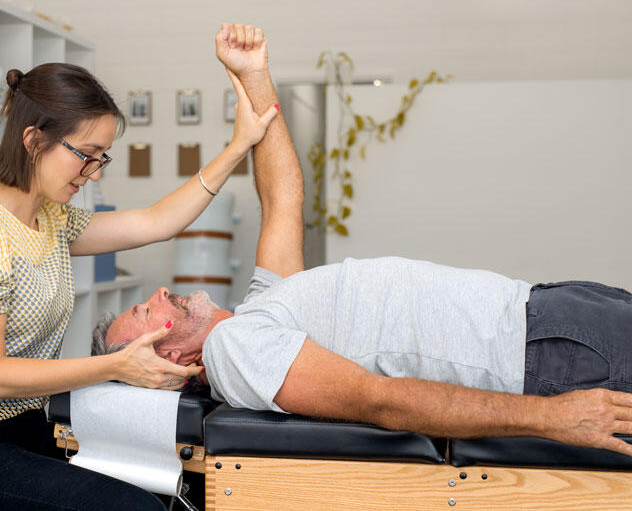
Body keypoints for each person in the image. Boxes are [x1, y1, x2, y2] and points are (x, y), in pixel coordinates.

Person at [96, 23, 632, 458]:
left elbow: (282, 198)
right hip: (544, 357)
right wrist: (553, 417)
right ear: (168, 359)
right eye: (144, 312)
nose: (158, 294)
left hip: (548, 314)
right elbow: (381, 401)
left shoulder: (258, 316)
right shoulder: (235, 351)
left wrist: (255, 77)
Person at [0, 36, 280, 510]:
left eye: (101, 156)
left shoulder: (50, 219)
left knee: (171, 495)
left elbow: (156, 222)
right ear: (33, 140)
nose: (94, 172)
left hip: (28, 432)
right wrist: (116, 365)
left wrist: (238, 146)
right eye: (86, 153)